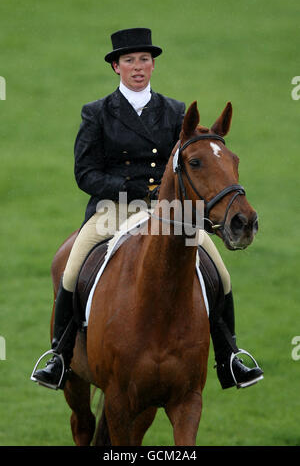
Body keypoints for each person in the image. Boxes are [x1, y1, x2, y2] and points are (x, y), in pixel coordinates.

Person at [31, 28, 263, 391]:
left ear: (152, 65)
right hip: (113, 210)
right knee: (71, 268)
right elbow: (85, 171)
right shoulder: (97, 113)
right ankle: (59, 356)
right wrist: (128, 189)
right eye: (129, 61)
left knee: (221, 273)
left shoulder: (174, 111)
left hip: (169, 214)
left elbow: (194, 155)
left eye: (143, 60)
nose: (137, 67)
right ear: (116, 67)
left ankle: (229, 355)